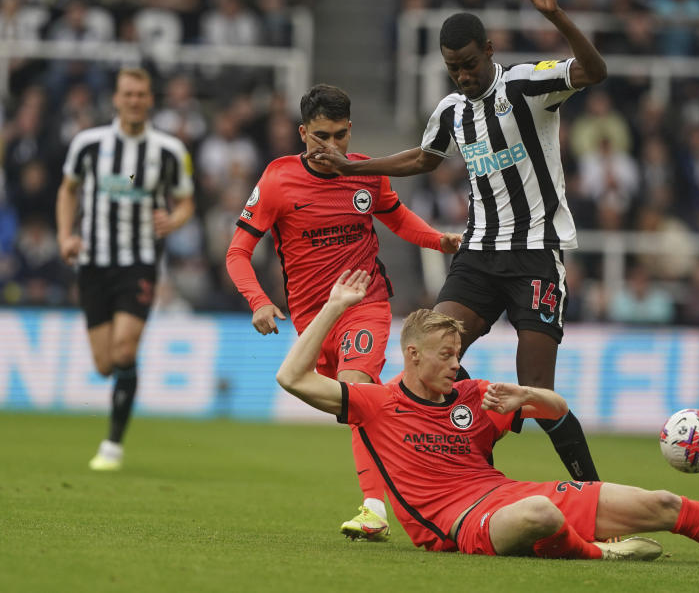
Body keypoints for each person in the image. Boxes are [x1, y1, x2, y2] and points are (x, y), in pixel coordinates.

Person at [274, 269, 699, 565]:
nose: (456, 363)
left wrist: (525, 398)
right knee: (538, 512)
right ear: (413, 357)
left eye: (458, 352)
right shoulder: (379, 403)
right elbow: (293, 379)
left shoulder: (475, 395)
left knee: (663, 504)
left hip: (507, 494)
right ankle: (600, 557)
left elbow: (559, 411)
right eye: (446, 355)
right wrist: (333, 308)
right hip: (461, 526)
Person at [312, 0, 605, 484]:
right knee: (430, 356)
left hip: (535, 252)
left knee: (536, 391)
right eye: (454, 69)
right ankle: (477, 475)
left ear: (489, 50)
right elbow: (424, 160)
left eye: (470, 64)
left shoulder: (526, 85)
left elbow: (594, 72)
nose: (464, 76)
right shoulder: (452, 110)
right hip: (477, 254)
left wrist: (555, 15)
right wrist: (354, 168)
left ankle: (595, 496)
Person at [224, 83, 460, 541]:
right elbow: (237, 252)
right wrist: (258, 300)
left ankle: (375, 510)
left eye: (339, 136)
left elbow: (397, 218)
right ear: (302, 133)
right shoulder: (277, 180)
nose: (331, 146)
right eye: (320, 137)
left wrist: (440, 240)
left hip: (364, 303)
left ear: (350, 130)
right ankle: (405, 413)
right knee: (358, 411)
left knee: (358, 391)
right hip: (314, 318)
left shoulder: (367, 174)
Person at [56, 67, 196, 471]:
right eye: (127, 94)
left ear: (150, 100)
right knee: (104, 364)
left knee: (123, 348)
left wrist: (176, 219)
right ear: (116, 99)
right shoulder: (88, 144)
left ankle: (112, 446)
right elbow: (67, 190)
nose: (134, 100)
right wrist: (66, 235)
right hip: (93, 262)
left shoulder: (169, 150)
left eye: (141, 94)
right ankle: (123, 383)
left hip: (139, 261)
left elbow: (186, 200)